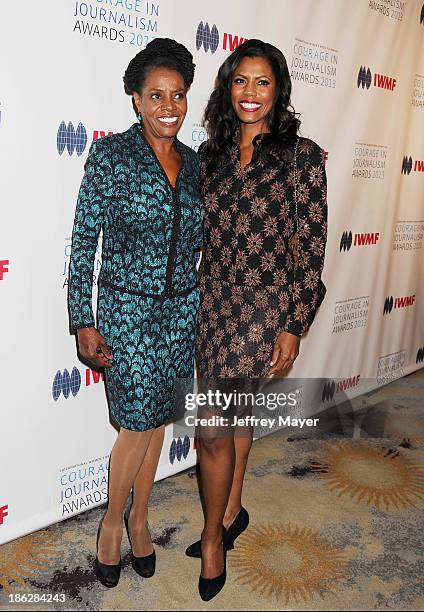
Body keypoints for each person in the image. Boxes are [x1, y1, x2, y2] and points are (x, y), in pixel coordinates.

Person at [187, 39, 328, 600]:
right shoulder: (211, 156)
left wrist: (294, 322)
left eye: (262, 82)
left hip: (265, 307)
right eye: (240, 80)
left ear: (278, 90)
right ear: (227, 87)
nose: (250, 92)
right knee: (236, 416)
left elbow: (311, 244)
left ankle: (213, 538)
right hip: (212, 301)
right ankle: (233, 510)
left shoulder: (302, 156)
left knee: (211, 431)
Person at [67, 38, 203, 588]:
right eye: (156, 95)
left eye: (178, 95)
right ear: (136, 100)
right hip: (127, 311)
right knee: (136, 426)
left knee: (157, 422)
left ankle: (140, 521)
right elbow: (84, 241)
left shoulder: (195, 165)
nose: (168, 106)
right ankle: (110, 525)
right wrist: (83, 316)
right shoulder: (111, 157)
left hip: (180, 315)